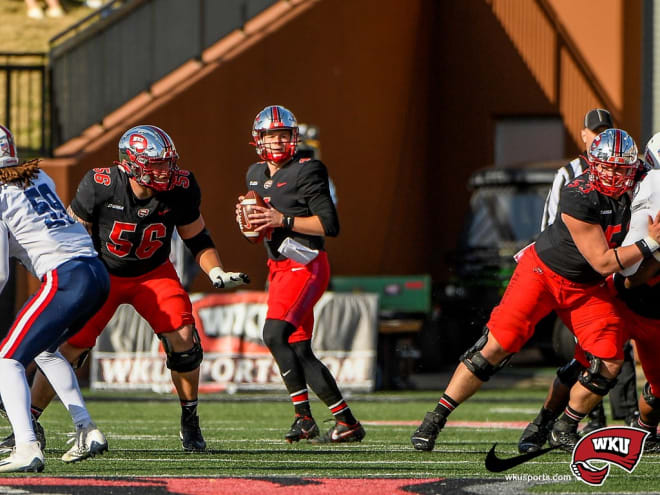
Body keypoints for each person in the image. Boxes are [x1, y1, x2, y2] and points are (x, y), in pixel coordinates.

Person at [410, 128, 660, 452]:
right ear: (592, 165)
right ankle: (436, 418)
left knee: (608, 361)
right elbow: (603, 262)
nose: (613, 174)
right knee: (497, 346)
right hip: (543, 273)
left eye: (621, 168)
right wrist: (651, 241)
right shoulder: (579, 192)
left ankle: (562, 426)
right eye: (607, 166)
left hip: (586, 289)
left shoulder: (643, 184)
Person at [25, 125, 249, 454]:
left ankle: (190, 418)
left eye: (167, 163)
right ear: (129, 164)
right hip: (102, 273)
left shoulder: (181, 187)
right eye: (155, 165)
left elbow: (197, 237)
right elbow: (72, 238)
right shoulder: (100, 185)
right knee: (69, 346)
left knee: (185, 341)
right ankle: (29, 419)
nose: (165, 171)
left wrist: (215, 270)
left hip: (153, 273)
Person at [236, 105, 364, 443]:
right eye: (270, 135)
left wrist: (280, 220)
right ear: (258, 139)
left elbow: (329, 225)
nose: (277, 141)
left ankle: (304, 417)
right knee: (300, 350)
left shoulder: (308, 169)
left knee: (274, 334)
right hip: (278, 266)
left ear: (294, 137)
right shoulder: (254, 173)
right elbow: (257, 232)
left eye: (282, 135)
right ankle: (345, 422)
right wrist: (251, 226)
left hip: (306, 263)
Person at [519, 109, 639, 452]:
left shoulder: (640, 178)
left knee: (614, 352)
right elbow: (554, 226)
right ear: (586, 137)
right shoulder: (573, 180)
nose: (615, 171)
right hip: (579, 277)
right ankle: (555, 422)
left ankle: (608, 419)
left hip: (618, 275)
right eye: (595, 131)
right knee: (589, 355)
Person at [0, 125, 109, 472]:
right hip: (95, 272)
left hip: (64, 277)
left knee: (7, 360)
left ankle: (26, 446)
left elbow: (1, 272)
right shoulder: (39, 176)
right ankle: (86, 429)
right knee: (45, 351)